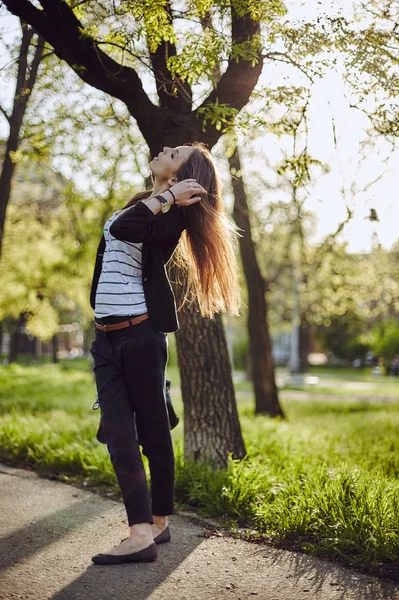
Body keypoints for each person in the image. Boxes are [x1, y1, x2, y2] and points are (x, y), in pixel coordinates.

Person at [89, 142, 241, 565]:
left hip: (140, 336)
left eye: (172, 153)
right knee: (118, 434)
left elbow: (122, 231)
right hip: (106, 338)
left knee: (153, 432)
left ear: (179, 178)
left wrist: (171, 198)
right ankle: (145, 529)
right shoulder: (143, 203)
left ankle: (152, 525)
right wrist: (162, 194)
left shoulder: (168, 218)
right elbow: (116, 242)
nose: (163, 150)